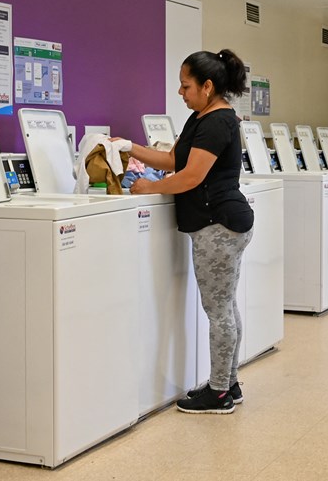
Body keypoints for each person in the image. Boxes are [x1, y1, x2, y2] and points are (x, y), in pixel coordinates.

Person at [124, 49, 254, 415]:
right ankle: (228, 384)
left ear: (207, 86)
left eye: (185, 86)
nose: (180, 93)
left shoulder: (217, 122)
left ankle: (218, 393)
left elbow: (192, 176)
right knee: (225, 307)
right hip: (224, 224)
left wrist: (148, 188)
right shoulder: (201, 116)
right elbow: (173, 161)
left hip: (219, 226)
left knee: (218, 311)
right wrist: (127, 147)